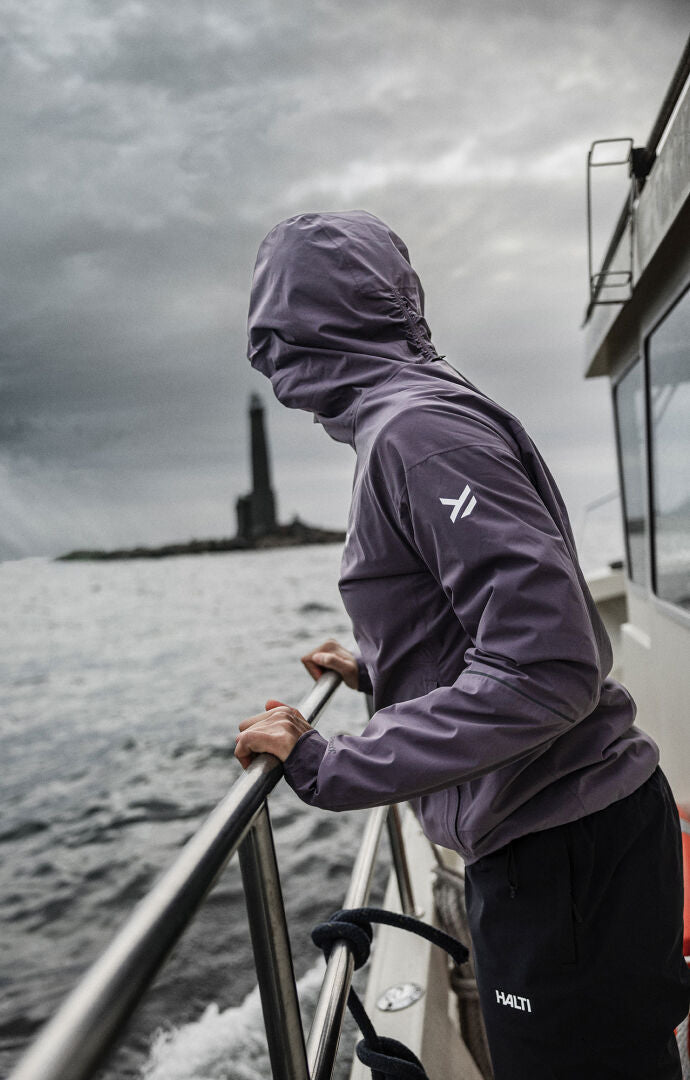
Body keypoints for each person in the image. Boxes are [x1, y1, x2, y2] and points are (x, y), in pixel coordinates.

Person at [233, 210, 690, 1079]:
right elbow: (497, 626)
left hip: (561, 854)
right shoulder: (416, 415)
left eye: (271, 335)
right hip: (564, 840)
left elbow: (547, 668)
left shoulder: (417, 433)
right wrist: (385, 673)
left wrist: (334, 765)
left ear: (295, 328)